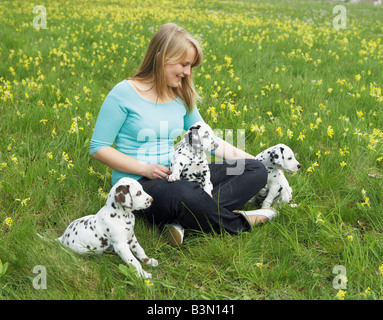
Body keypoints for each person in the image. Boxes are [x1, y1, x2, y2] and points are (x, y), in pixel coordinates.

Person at [90, 23, 277, 246]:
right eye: (184, 64)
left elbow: (211, 141)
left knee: (255, 168)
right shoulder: (124, 93)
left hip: (177, 174)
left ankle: (185, 219)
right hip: (140, 183)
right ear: (161, 58)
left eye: (190, 66)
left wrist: (261, 165)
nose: (187, 72)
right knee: (185, 192)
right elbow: (98, 148)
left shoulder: (180, 95)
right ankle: (241, 221)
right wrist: (145, 169)